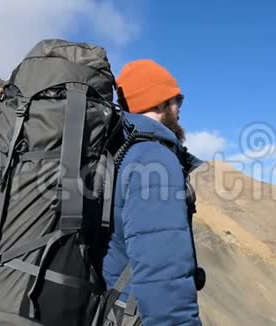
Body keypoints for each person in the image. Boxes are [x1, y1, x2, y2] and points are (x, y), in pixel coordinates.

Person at [102, 59, 202, 325]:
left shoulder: (115, 150)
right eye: (176, 99)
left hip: (106, 305)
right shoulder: (153, 159)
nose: (179, 108)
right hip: (130, 314)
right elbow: (164, 273)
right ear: (157, 102)